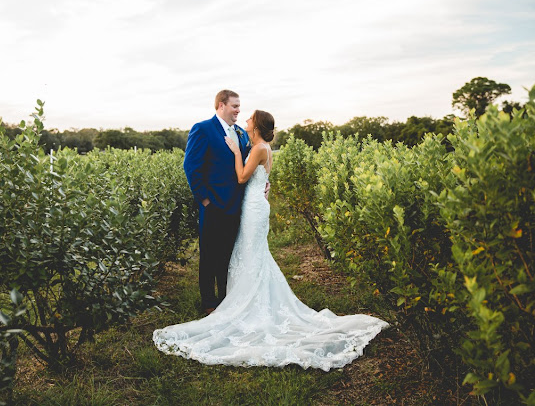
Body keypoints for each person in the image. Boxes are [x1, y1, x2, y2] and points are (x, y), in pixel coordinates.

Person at [153, 110, 389, 371]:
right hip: (253, 205)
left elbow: (242, 177)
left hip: (253, 207)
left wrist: (234, 153)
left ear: (256, 126)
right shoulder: (258, 145)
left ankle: (246, 303)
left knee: (251, 254)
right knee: (252, 254)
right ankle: (239, 299)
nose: (245, 120)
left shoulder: (255, 148)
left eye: (250, 118)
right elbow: (262, 178)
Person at [182, 90, 251, 314]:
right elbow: (191, 167)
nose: (238, 111)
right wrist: (204, 199)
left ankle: (226, 297)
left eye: (239, 107)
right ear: (221, 105)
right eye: (235, 106)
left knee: (228, 255)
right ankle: (209, 303)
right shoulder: (202, 129)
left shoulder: (240, 133)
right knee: (209, 256)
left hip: (236, 205)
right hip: (212, 206)